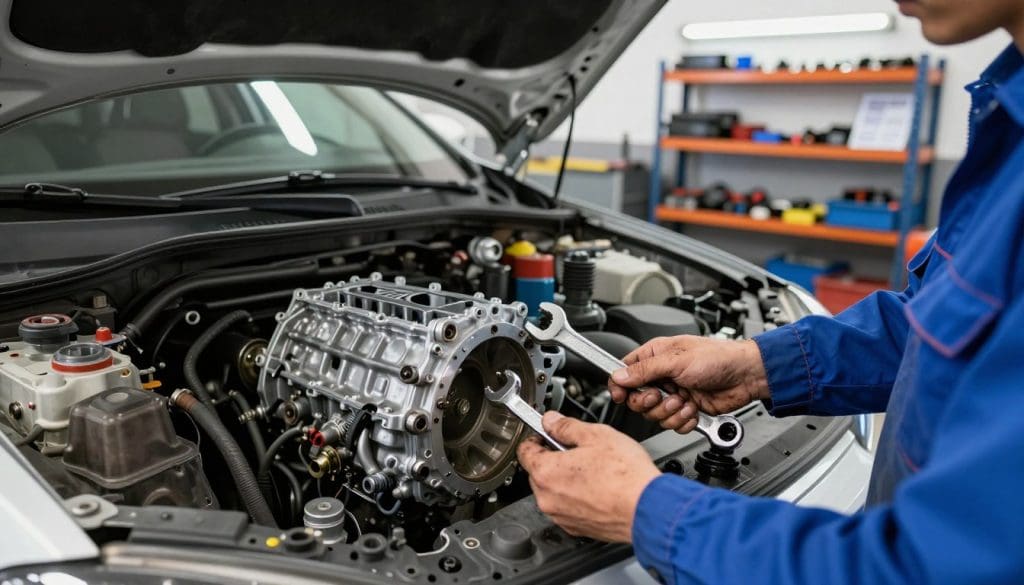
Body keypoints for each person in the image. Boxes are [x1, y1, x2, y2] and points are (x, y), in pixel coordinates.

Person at [517, 1, 1024, 582]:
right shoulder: (1009, 122)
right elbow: (932, 328)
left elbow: (932, 570)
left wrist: (642, 510)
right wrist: (760, 365)